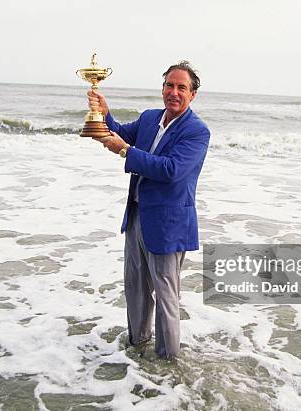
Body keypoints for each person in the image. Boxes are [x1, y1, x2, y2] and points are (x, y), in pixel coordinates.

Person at [87, 61, 210, 359]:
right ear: (163, 88)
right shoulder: (149, 118)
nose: (174, 92)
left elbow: (170, 170)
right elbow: (120, 132)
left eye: (182, 87)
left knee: (166, 296)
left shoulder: (197, 132)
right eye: (170, 85)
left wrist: (125, 151)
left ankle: (168, 362)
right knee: (136, 290)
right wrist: (103, 112)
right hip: (137, 215)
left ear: (192, 94)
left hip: (168, 224)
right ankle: (137, 346)